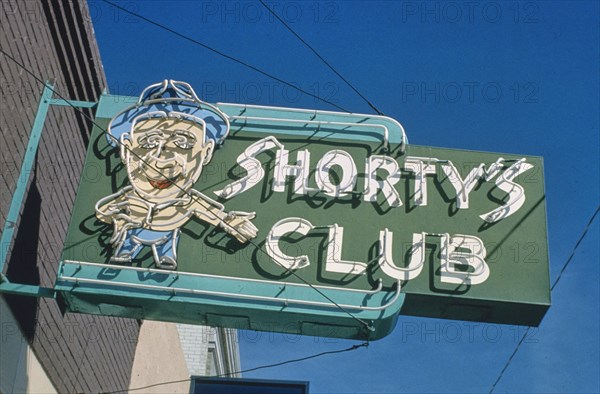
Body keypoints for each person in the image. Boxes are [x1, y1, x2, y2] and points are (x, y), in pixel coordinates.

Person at [95, 80, 258, 270]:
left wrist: (231, 221)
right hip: (133, 231)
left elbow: (211, 212)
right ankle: (124, 254)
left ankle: (166, 258)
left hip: (168, 231)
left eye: (182, 143)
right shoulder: (128, 197)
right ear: (126, 150)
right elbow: (104, 210)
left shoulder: (187, 200)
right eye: (149, 142)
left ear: (206, 153)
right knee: (128, 245)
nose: (162, 160)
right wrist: (117, 219)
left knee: (167, 247)